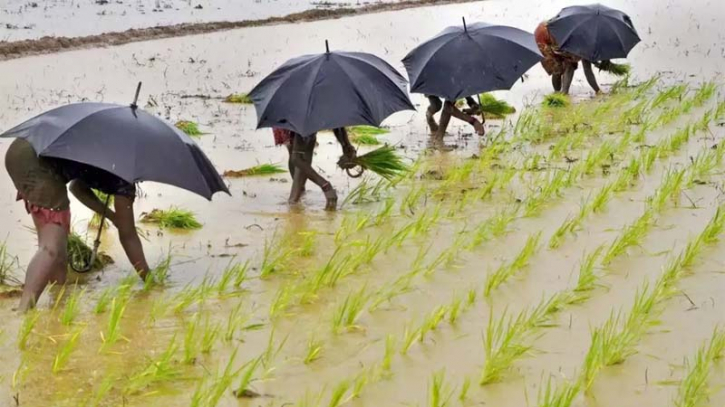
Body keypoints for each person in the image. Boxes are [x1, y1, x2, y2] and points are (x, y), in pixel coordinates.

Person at [5, 139, 150, 311]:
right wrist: (149, 280)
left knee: (59, 248)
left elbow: (77, 187)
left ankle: (57, 301)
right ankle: (23, 310)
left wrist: (111, 216)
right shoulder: (125, 177)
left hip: (21, 150)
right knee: (50, 248)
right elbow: (128, 235)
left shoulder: (113, 151)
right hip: (37, 164)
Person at [273, 127, 356, 211]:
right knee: (298, 149)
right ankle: (295, 198)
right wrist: (326, 186)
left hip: (299, 123)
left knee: (301, 147)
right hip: (294, 122)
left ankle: (296, 195)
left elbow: (337, 123)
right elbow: (296, 158)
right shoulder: (302, 122)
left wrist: (347, 147)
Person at [534, 20, 601, 95]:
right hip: (543, 39)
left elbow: (588, 70)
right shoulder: (576, 41)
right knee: (558, 68)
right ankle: (559, 93)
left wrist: (598, 90)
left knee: (569, 65)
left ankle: (562, 93)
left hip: (555, 37)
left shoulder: (586, 43)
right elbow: (585, 68)